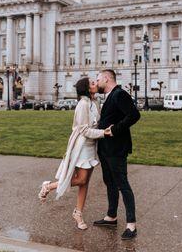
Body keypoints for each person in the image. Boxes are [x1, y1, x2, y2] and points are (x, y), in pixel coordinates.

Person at [38, 77, 112, 230]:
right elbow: (84, 130)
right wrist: (104, 133)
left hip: (92, 145)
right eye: (92, 83)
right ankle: (49, 186)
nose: (96, 84)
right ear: (86, 88)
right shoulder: (83, 104)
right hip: (82, 146)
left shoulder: (95, 102)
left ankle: (78, 213)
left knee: (85, 182)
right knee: (81, 179)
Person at [93, 69, 140, 240]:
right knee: (109, 182)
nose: (96, 83)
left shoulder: (120, 94)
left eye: (98, 79)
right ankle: (111, 216)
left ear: (106, 79)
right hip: (106, 149)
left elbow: (134, 115)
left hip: (116, 149)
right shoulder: (110, 96)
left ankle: (131, 225)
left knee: (122, 184)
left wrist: (115, 130)